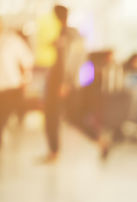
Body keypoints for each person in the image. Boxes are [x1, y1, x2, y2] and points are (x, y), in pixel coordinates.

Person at [42, 5, 86, 162]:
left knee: (62, 116)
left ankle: (55, 152)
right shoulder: (63, 33)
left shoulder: (71, 34)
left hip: (61, 80)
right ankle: (53, 151)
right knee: (52, 116)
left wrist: (66, 82)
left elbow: (74, 58)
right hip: (56, 78)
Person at [0, 18, 34, 148]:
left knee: (3, 116)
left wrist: (25, 80)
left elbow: (27, 60)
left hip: (10, 87)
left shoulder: (12, 41)